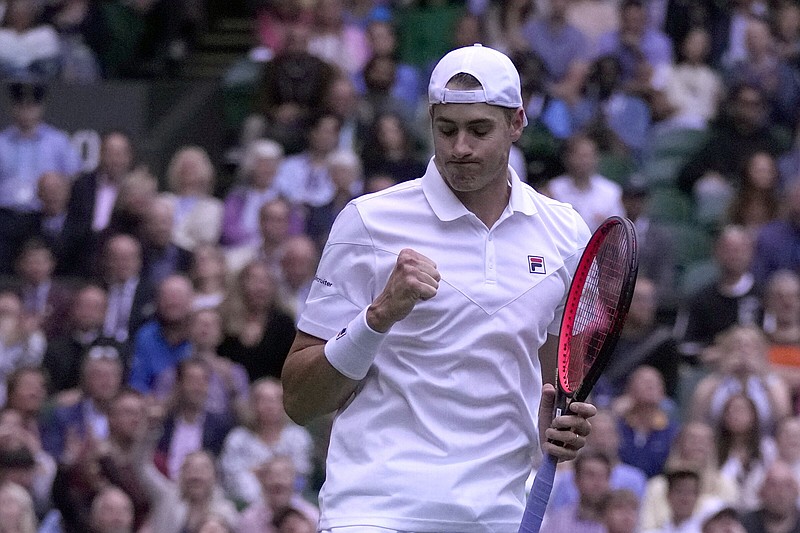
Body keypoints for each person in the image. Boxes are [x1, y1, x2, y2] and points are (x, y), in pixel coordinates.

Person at [281, 43, 597, 531]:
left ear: (516, 123)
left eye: (479, 130)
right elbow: (301, 400)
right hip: (374, 511)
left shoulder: (566, 233)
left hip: (497, 515)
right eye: (446, 130)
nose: (459, 148)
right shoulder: (368, 221)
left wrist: (559, 431)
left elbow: (547, 388)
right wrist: (378, 316)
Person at [218, 378, 312, 507]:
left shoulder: (298, 436)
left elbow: (303, 472)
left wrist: (264, 472)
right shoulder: (238, 438)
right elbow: (231, 476)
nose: (269, 406)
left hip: (291, 502)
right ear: (252, 405)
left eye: (274, 400)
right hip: (247, 503)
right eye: (263, 400)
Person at [541, 449, 613, 533]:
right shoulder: (560, 522)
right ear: (576, 479)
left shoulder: (626, 517)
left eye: (602, 476)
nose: (597, 483)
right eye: (590, 475)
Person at [739, 460, 800, 533]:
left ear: (796, 491)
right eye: (773, 485)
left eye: (787, 486)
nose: (780, 494)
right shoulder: (744, 524)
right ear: (761, 492)